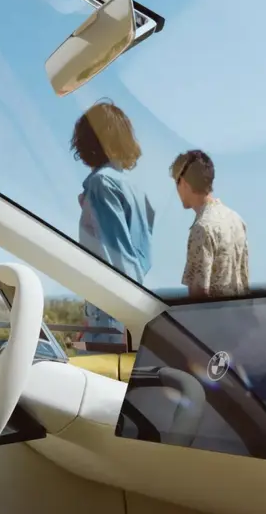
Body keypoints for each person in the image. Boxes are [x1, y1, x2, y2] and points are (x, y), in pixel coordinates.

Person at [71, 100, 155, 348]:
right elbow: (140, 258)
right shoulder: (136, 190)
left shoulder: (101, 184)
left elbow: (116, 258)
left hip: (112, 314)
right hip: (128, 309)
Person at [170, 149, 249, 298]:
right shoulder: (236, 220)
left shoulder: (202, 228)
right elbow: (244, 281)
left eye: (176, 182)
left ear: (184, 183)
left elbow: (199, 295)